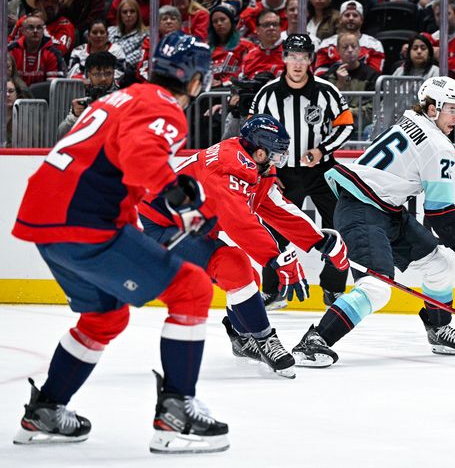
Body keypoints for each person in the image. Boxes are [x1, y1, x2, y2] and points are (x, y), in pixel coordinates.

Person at [11, 33, 230, 452]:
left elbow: (114, 172)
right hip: (82, 220)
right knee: (192, 289)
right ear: (195, 80)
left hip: (45, 219)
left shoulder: (121, 98)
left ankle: (46, 410)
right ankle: (177, 412)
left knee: (105, 317)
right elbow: (141, 158)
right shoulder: (164, 106)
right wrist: (183, 202)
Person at [290, 76, 455, 366]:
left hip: (385, 209)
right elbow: (440, 213)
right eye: (451, 109)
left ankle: (438, 330)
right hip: (362, 211)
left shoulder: (411, 119)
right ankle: (314, 340)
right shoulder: (438, 145)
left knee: (441, 264)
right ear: (432, 109)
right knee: (376, 287)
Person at [138, 114, 350, 377]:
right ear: (260, 152)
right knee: (234, 265)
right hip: (162, 227)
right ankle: (264, 340)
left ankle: (241, 338)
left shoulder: (253, 163)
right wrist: (277, 258)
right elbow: (238, 222)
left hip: (191, 224)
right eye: (276, 155)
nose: (278, 162)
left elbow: (275, 206)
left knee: (248, 277)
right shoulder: (228, 167)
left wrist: (318, 240)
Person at [250, 34, 354, 307]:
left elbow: (345, 124)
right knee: (274, 230)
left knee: (339, 226)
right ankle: (272, 290)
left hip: (322, 172)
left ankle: (333, 288)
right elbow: (252, 134)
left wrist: (322, 150)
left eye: (303, 57)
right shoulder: (267, 94)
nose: (297, 63)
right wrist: (268, 169)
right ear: (284, 58)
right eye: (293, 57)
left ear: (311, 60)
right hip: (282, 176)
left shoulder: (327, 91)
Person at [58, 51, 118, 138]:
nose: (103, 79)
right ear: (88, 75)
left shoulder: (123, 98)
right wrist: (75, 117)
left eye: (108, 73)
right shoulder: (84, 102)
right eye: (97, 74)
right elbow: (62, 134)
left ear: (114, 73)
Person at [7, 15, 67, 86]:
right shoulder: (11, 50)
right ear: (22, 31)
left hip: (44, 93)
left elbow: (54, 85)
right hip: (15, 92)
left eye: (39, 28)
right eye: (31, 28)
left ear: (43, 31)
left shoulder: (53, 53)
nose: (35, 31)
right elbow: (5, 79)